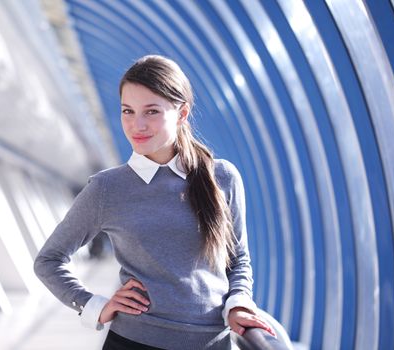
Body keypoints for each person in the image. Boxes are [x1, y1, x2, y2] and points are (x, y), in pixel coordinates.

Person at [34, 55, 278, 349]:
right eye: (128, 111)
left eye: (151, 111)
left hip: (213, 343)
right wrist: (94, 305)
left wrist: (238, 303)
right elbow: (48, 260)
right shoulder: (107, 188)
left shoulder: (222, 177)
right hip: (133, 342)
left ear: (182, 113)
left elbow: (238, 259)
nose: (137, 125)